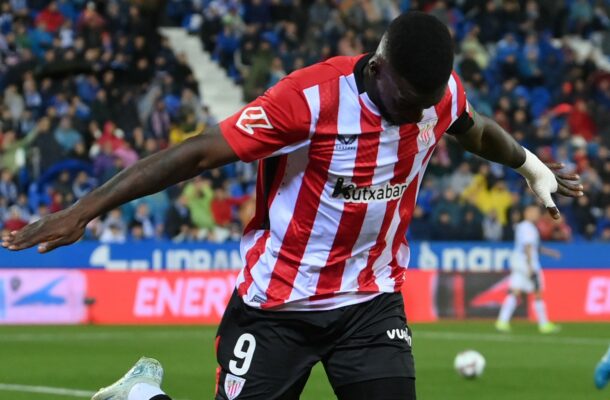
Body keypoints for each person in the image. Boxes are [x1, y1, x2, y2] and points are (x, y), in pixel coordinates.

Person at [1, 12, 583, 400]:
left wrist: (531, 167)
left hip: (370, 304)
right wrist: (84, 210)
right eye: (406, 102)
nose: (416, 115)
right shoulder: (307, 101)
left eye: (426, 104)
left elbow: (473, 128)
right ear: (379, 68)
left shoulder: (437, 95)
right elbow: (197, 154)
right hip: (277, 306)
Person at [496, 204, 562, 334]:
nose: (536, 215)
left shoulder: (524, 227)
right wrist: (531, 266)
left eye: (537, 212)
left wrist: (550, 253)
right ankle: (544, 324)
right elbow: (527, 247)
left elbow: (534, 247)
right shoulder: (528, 228)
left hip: (519, 263)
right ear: (527, 213)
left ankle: (502, 321)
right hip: (527, 264)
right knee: (537, 292)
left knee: (515, 292)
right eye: (534, 212)